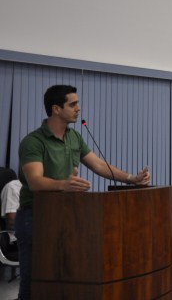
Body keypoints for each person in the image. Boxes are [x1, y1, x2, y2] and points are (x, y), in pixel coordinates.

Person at [15, 85, 151, 300]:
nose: (79, 108)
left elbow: (98, 165)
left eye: (78, 103)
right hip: (36, 218)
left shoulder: (74, 137)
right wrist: (64, 185)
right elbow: (35, 181)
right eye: (73, 104)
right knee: (35, 283)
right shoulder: (33, 141)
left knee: (67, 279)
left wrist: (130, 179)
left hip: (68, 217)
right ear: (56, 109)